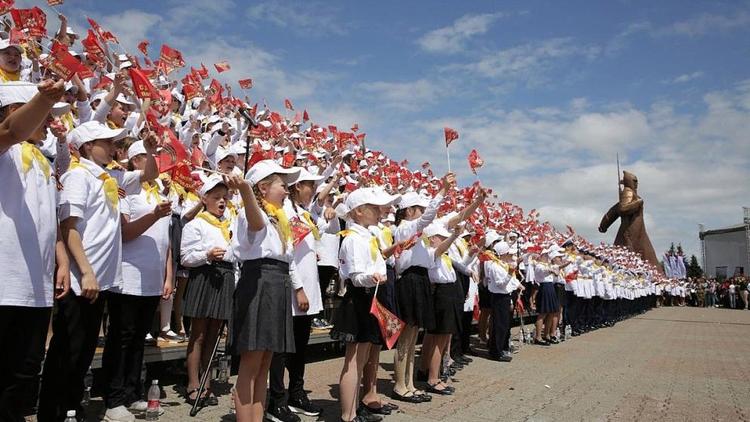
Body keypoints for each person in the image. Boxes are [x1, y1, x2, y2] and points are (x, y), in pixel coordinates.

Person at [39, 120, 159, 422]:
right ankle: (53, 413)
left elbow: (150, 174)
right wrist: (86, 271)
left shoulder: (109, 176)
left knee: (82, 355)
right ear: (88, 146)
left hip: (100, 281)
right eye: (106, 142)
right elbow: (69, 227)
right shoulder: (79, 175)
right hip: (83, 279)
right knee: (68, 352)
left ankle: (71, 408)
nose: (113, 147)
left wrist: (150, 150)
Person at [0, 79, 67, 422]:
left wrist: (62, 262)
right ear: (15, 109)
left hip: (36, 291)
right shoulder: (7, 147)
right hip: (3, 287)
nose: (50, 122)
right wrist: (43, 98)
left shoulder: (43, 160)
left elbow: (50, 223)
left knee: (23, 382)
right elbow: (11, 131)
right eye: (43, 113)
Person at [101, 141, 173, 421]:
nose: (150, 161)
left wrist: (168, 275)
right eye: (143, 156)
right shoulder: (125, 190)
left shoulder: (158, 192)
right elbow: (126, 233)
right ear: (131, 162)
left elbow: (165, 241)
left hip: (151, 280)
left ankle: (132, 394)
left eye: (151, 156)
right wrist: (154, 215)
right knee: (121, 338)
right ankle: (113, 399)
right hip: (128, 278)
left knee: (137, 341)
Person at [231, 160, 300, 422]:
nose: (286, 191)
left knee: (265, 364)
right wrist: (246, 191)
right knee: (251, 362)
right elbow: (256, 224)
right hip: (259, 283)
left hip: (277, 284)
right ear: (263, 187)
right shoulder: (251, 213)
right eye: (282, 185)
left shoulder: (279, 217)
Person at [330, 187, 398, 422]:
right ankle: (348, 415)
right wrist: (373, 277)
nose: (381, 212)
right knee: (354, 361)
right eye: (375, 208)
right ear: (359, 211)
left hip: (372, 297)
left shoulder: (367, 237)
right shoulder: (352, 239)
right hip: (360, 300)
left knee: (364, 357)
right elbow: (355, 276)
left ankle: (357, 408)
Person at [267, 167, 328, 421]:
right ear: (296, 187)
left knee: (300, 346)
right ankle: (277, 399)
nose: (313, 190)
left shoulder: (304, 214)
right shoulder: (283, 212)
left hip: (308, 289)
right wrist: (298, 287)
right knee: (281, 347)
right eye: (309, 185)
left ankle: (296, 393)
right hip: (293, 288)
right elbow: (287, 253)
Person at [391, 174, 453, 404]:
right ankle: (400, 384)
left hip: (420, 279)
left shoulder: (417, 234)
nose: (422, 212)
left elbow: (431, 255)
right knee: (406, 337)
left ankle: (409, 383)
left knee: (414, 334)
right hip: (409, 280)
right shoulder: (405, 228)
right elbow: (425, 220)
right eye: (418, 208)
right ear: (408, 210)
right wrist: (442, 191)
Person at [180, 175, 238, 407]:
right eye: (216, 197)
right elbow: (185, 258)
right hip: (205, 275)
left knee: (215, 336)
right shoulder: (196, 224)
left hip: (225, 277)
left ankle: (207, 381)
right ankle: (193, 383)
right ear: (204, 199)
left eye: (224, 197)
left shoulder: (230, 223)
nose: (222, 202)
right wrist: (206, 255)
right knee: (199, 334)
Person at [483, 240, 523, 361]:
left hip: (505, 297)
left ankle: (501, 348)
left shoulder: (502, 264)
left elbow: (509, 281)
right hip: (499, 297)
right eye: (508, 254)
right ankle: (496, 351)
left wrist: (517, 284)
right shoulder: (495, 266)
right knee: (499, 325)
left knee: (504, 324)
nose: (511, 256)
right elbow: (501, 284)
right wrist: (510, 274)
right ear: (503, 254)